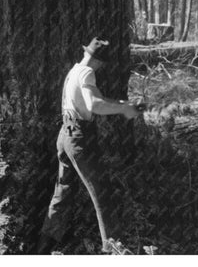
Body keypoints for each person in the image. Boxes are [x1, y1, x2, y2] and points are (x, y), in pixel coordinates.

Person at [37, 37, 141, 254]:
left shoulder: (75, 71)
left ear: (87, 53)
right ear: (101, 63)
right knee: (102, 193)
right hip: (79, 140)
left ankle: (43, 247)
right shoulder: (87, 73)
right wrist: (123, 110)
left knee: (63, 192)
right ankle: (114, 250)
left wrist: (125, 105)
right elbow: (94, 105)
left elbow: (92, 101)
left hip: (65, 136)